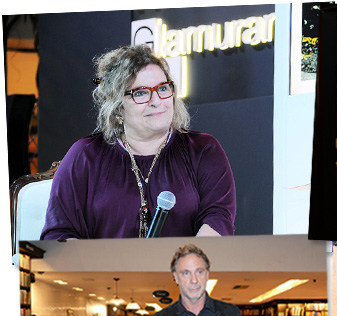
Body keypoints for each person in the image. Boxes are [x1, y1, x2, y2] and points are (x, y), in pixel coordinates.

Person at [41, 44, 235, 239]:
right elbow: (59, 232)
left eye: (163, 88)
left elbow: (218, 218)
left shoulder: (203, 150)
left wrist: (187, 257)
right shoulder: (85, 155)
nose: (156, 101)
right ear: (117, 106)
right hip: (103, 261)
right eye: (141, 92)